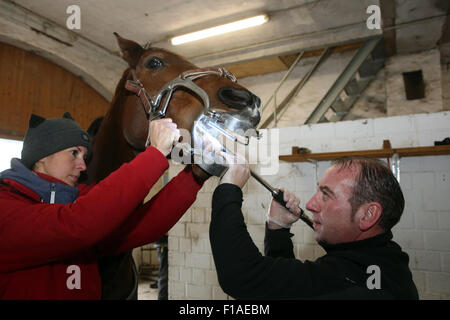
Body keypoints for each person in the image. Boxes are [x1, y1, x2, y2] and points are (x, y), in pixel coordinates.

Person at [0, 112, 206, 299]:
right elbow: (77, 225)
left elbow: (142, 226)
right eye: (74, 153)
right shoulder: (7, 205)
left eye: (84, 156)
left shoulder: (77, 200)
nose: (82, 165)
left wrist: (196, 175)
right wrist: (155, 154)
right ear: (42, 156)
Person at [210, 155, 419, 299]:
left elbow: (242, 276)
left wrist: (228, 189)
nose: (310, 205)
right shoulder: (383, 261)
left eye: (326, 195)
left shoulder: (354, 282)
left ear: (368, 214)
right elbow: (289, 291)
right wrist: (278, 228)